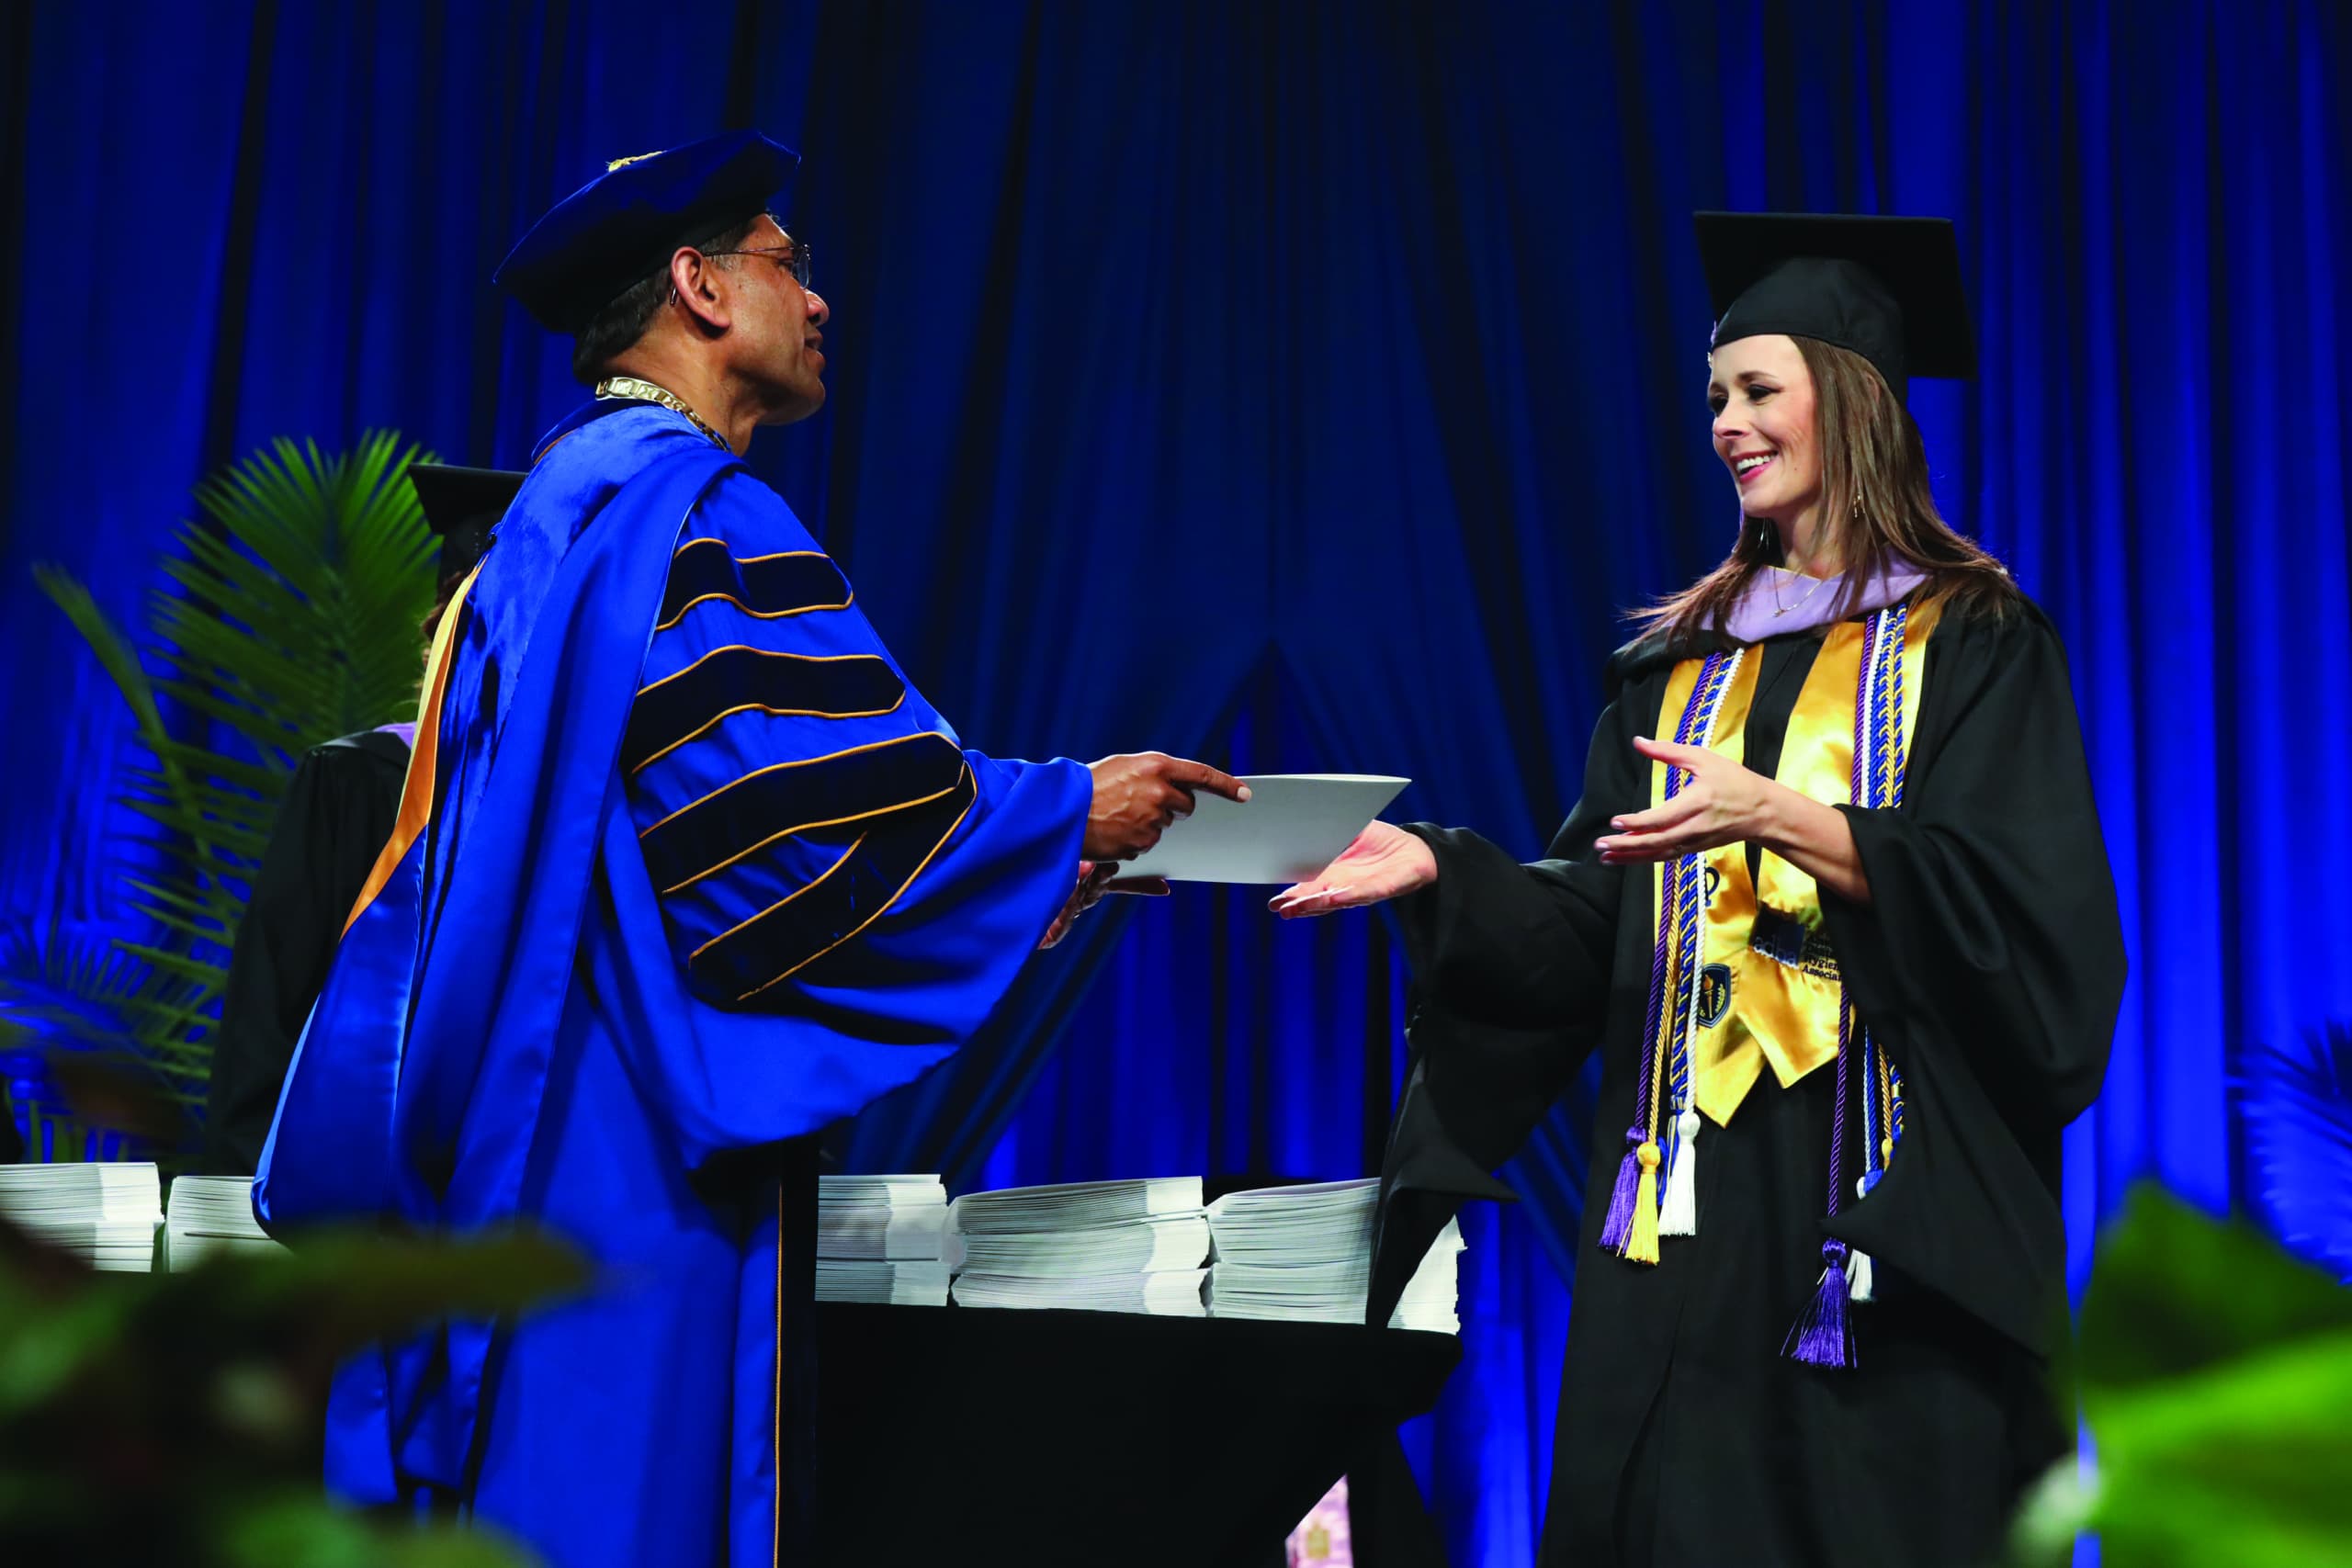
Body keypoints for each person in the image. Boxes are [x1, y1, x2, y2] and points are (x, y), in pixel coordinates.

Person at [254, 130, 1236, 1565]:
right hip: (623, 1139)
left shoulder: (551, 515)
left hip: (511, 1121)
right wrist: (1059, 813)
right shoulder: (691, 508)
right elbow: (788, 820)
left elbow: (688, 841)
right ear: (701, 287)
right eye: (791, 263)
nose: (820, 300)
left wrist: (1035, 858)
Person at [1274, 213, 2125, 1568]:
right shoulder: (1677, 668)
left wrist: (1785, 817)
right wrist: (1452, 869)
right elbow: (1598, 923)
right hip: (1677, 1216)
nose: (1726, 422)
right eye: (1715, 395)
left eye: (1757, 389)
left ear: (1850, 400)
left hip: (1876, 1225)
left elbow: (2033, 932)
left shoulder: (1978, 643)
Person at [203, 465, 516, 1174]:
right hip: (348, 1201)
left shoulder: (594, 814)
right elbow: (269, 1010)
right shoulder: (357, 781)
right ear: (442, 637)